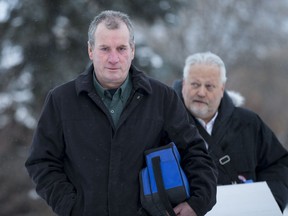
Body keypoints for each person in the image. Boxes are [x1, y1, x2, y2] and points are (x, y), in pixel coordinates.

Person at [25, 11, 217, 216]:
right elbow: (41, 162)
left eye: (121, 48)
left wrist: (198, 203)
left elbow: (195, 153)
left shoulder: (162, 98)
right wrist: (71, 207)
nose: (114, 58)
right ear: (90, 50)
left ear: (132, 50)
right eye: (105, 49)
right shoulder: (61, 100)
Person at [173, 51, 288, 212]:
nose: (201, 92)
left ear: (222, 88)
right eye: (195, 84)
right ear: (184, 83)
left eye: (209, 86)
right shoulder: (163, 123)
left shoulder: (248, 123)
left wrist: (271, 203)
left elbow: (278, 164)